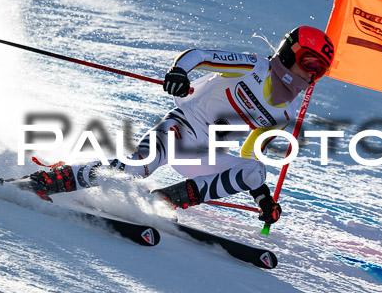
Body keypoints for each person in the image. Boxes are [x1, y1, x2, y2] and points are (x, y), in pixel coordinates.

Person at [18, 26, 335, 225]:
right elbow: (198, 56)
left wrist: (263, 198)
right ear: (290, 51)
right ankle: (45, 181)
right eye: (309, 61)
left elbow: (250, 154)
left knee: (257, 171)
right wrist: (179, 73)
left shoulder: (284, 112)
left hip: (203, 154)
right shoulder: (255, 66)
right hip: (181, 128)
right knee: (135, 169)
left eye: (319, 70)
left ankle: (160, 202)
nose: (311, 73)